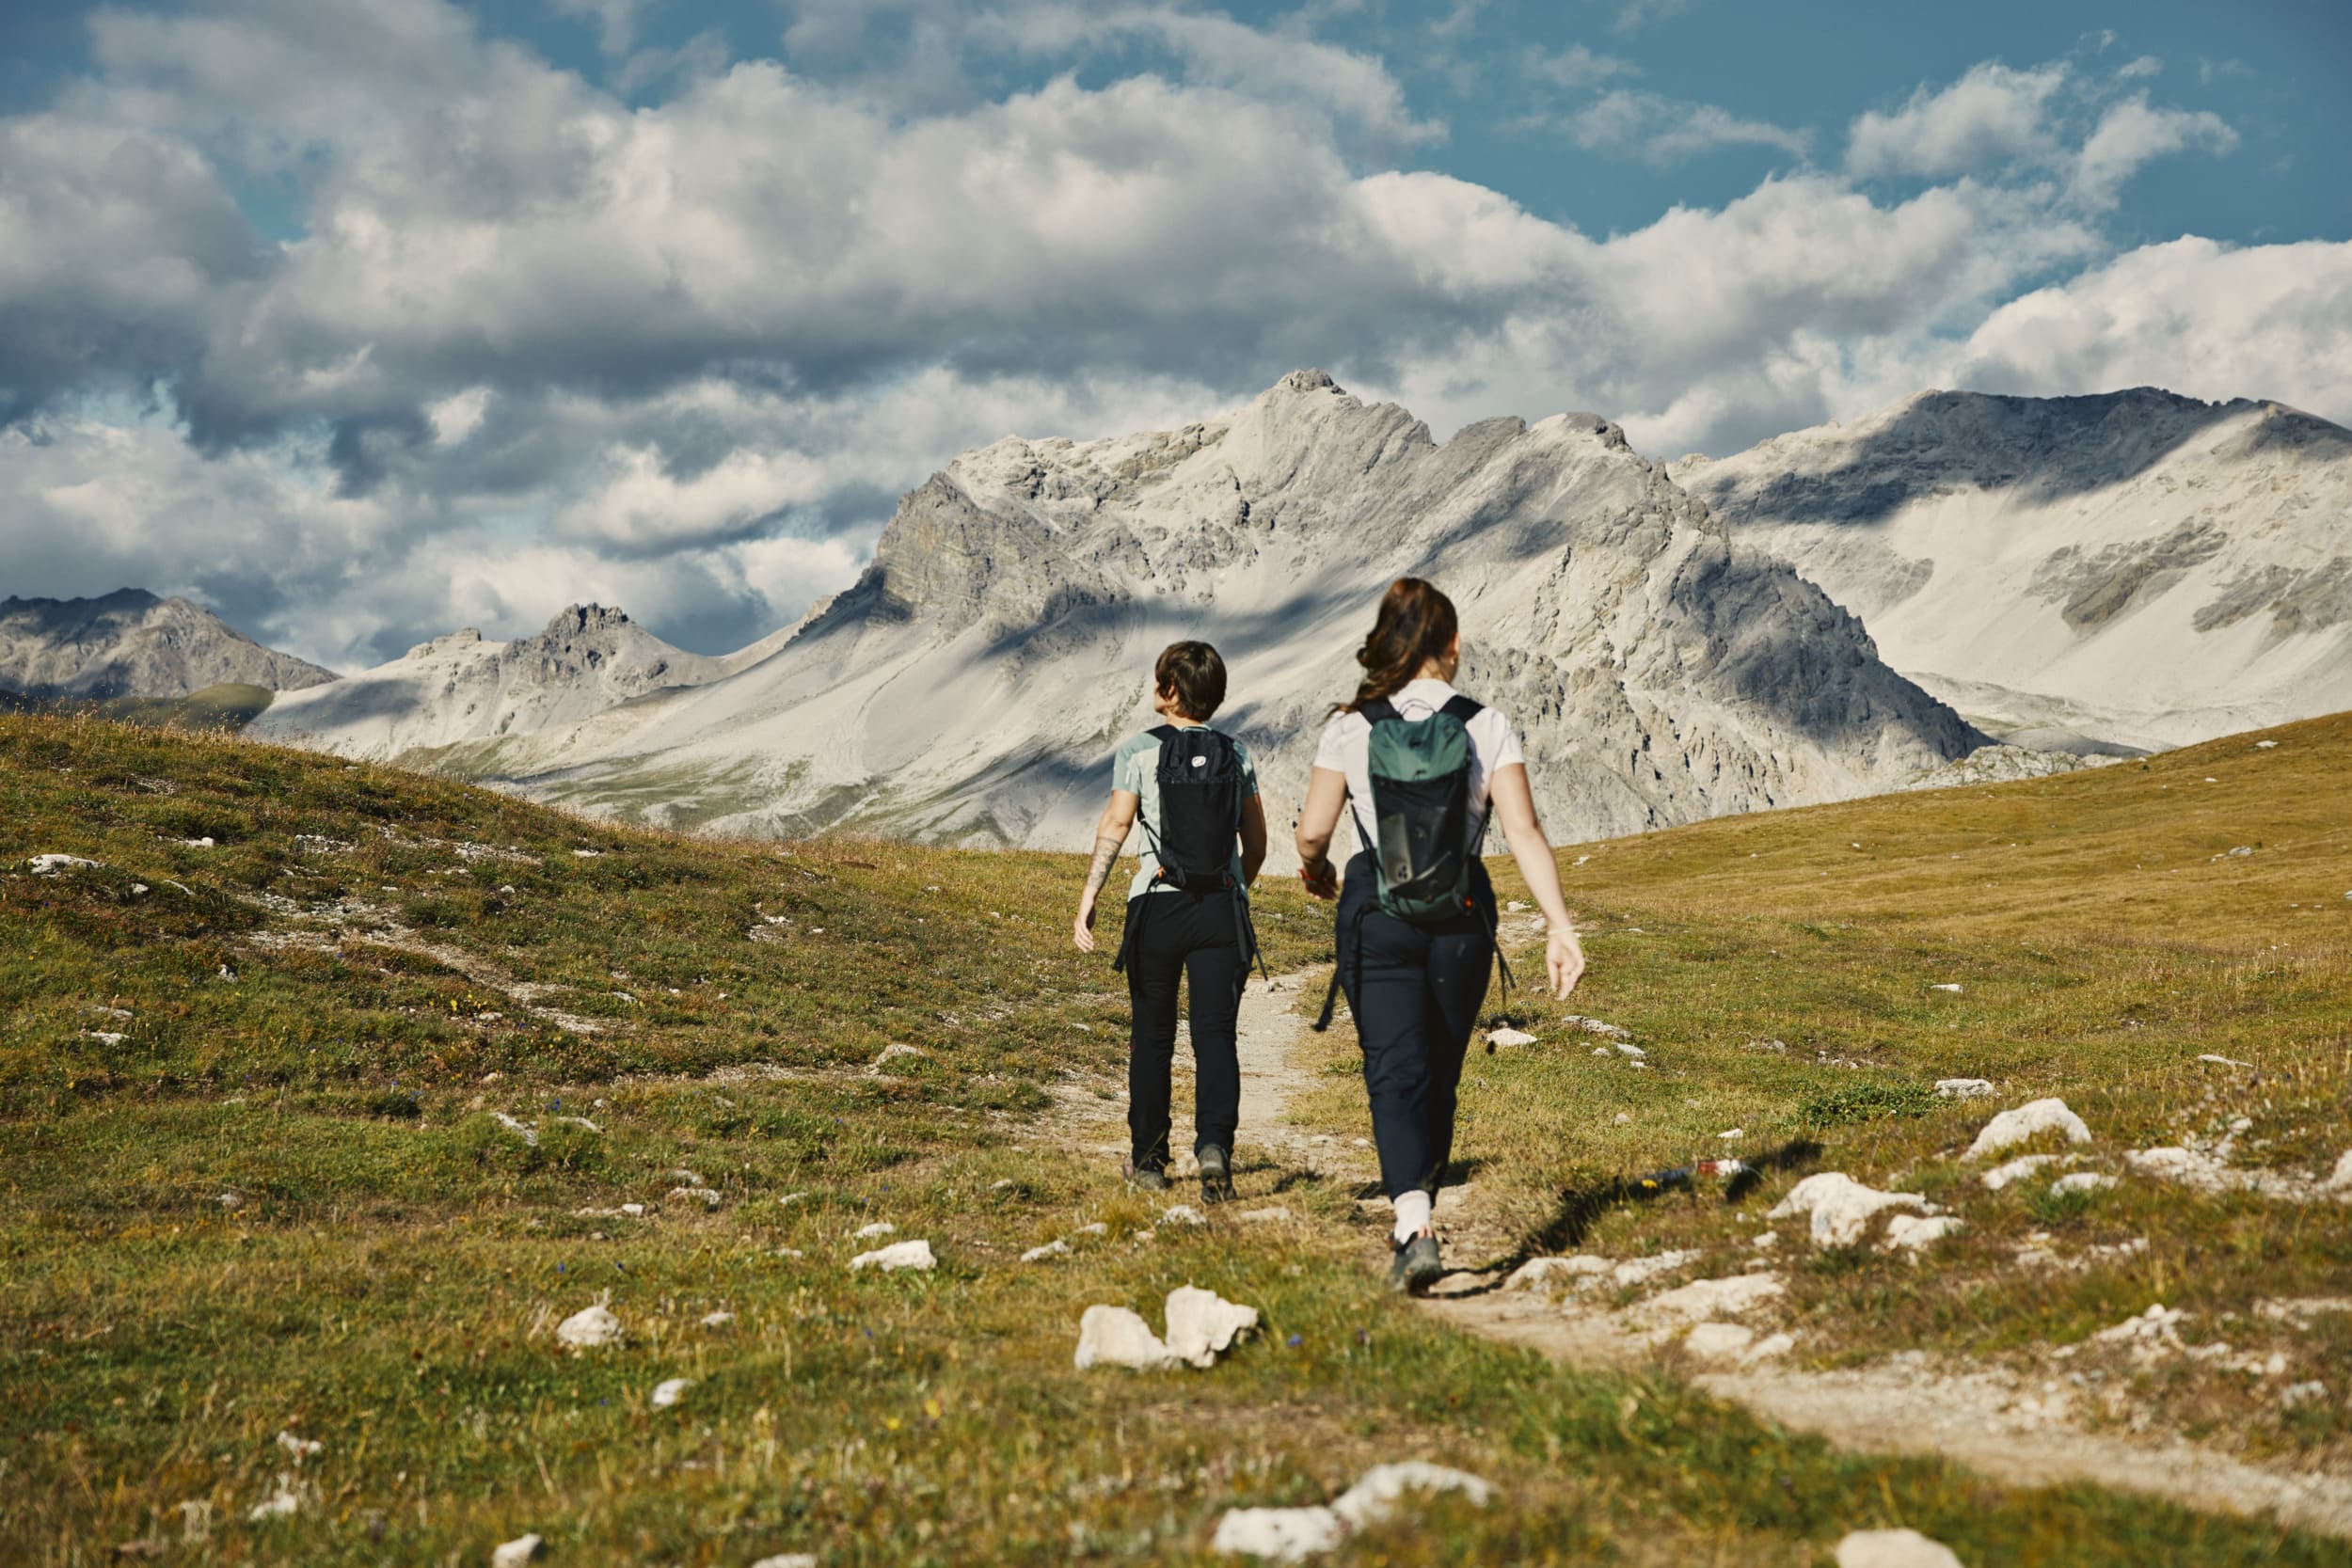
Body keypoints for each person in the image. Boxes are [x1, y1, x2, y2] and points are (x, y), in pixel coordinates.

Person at [1295, 578, 1586, 1291]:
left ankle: (1414, 1221)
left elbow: (1311, 830)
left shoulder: (1350, 726)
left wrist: (1316, 868)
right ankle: (1420, 1199)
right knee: (1441, 1073)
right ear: (1451, 646)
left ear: (1388, 642)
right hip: (1461, 915)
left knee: (1394, 1068)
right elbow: (1522, 830)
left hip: (1377, 912)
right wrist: (1558, 924)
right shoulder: (1485, 724)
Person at [1074, 641, 1269, 1203]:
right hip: (1218, 911)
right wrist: (1232, 888)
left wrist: (1091, 893)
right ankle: (1214, 1152)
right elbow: (1255, 843)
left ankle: (1151, 1162)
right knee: (1215, 1036)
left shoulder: (1138, 750)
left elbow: (1115, 823)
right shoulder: (1238, 753)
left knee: (1153, 1037)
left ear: (1169, 691)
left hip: (1155, 907)